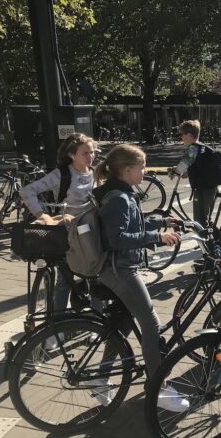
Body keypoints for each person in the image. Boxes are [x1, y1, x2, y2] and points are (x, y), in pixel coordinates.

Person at [93, 144, 188, 411]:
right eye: (142, 167)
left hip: (117, 267)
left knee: (122, 323)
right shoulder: (119, 198)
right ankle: (159, 388)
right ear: (127, 170)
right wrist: (157, 236)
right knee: (151, 324)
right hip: (120, 270)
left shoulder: (121, 192)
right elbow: (118, 238)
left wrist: (162, 223)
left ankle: (101, 378)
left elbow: (132, 225)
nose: (145, 172)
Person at [20, 133, 98, 348]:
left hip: (91, 233)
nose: (91, 156)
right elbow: (28, 191)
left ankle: (97, 326)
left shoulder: (96, 173)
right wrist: (41, 216)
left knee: (95, 278)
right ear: (72, 154)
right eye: (86, 153)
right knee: (64, 282)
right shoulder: (61, 174)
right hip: (66, 234)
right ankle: (57, 331)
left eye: (93, 152)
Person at [170, 119, 221, 226]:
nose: (181, 137)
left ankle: (205, 236)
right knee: (205, 220)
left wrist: (174, 172)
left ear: (189, 135)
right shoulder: (202, 147)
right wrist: (186, 173)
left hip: (203, 190)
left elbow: (183, 165)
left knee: (200, 222)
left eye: (182, 134)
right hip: (210, 187)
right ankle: (211, 235)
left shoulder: (193, 149)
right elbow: (199, 168)